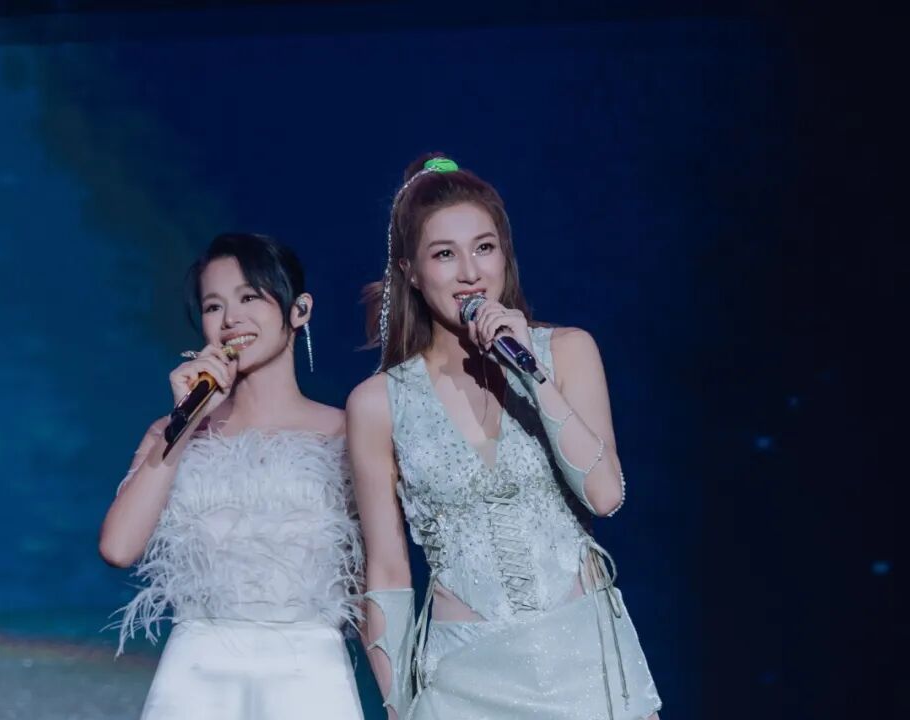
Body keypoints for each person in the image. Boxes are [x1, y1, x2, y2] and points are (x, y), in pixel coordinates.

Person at [347, 154, 662, 720]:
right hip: (463, 680)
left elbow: (605, 495)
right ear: (412, 272)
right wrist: (399, 707)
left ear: (505, 255)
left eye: (484, 247)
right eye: (445, 254)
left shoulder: (566, 352)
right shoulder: (377, 404)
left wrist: (532, 376)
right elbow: (388, 573)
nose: (470, 272)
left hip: (585, 665)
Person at [100, 233, 364, 719]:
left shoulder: (347, 432)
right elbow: (118, 548)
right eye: (213, 306)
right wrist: (184, 424)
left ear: (299, 309)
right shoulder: (170, 432)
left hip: (308, 676)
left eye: (249, 297)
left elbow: (375, 578)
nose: (230, 319)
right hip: (197, 678)